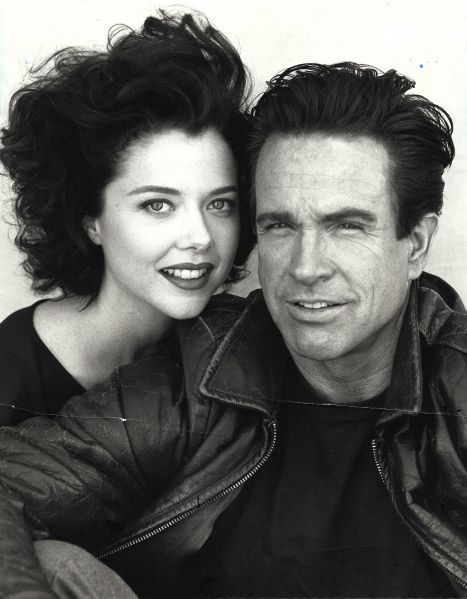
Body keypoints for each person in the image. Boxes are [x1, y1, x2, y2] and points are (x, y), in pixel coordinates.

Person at [0, 62, 466, 598]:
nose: (306, 267)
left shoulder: (456, 388)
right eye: (280, 225)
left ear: (416, 244)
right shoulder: (209, 367)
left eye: (347, 226)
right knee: (54, 567)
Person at [0, 11, 253, 425]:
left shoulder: (235, 349)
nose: (201, 237)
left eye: (220, 204)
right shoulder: (11, 374)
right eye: (158, 205)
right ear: (90, 220)